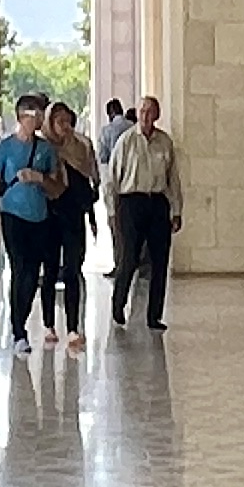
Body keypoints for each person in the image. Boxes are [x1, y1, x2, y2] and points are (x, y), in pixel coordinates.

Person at [0, 92, 64, 350]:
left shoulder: (45, 150)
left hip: (39, 218)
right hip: (13, 216)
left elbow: (57, 189)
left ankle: (22, 319)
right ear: (23, 117)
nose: (40, 119)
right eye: (36, 114)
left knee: (32, 274)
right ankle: (18, 331)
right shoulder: (4, 148)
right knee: (20, 269)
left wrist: (39, 178)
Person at [107, 93, 183, 328]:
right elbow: (112, 179)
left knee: (159, 261)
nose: (146, 116)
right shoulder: (126, 141)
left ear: (157, 115)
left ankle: (154, 315)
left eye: (150, 112)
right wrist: (112, 211)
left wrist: (176, 210)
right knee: (129, 258)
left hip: (157, 202)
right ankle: (118, 305)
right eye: (142, 111)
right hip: (131, 202)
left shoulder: (165, 142)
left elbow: (173, 179)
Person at [39, 98, 101, 343]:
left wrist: (91, 215)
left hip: (73, 214)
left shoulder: (81, 146)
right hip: (49, 215)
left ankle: (73, 326)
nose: (64, 126)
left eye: (67, 121)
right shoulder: (42, 147)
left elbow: (89, 180)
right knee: (50, 269)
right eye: (59, 121)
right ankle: (48, 325)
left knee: (73, 270)